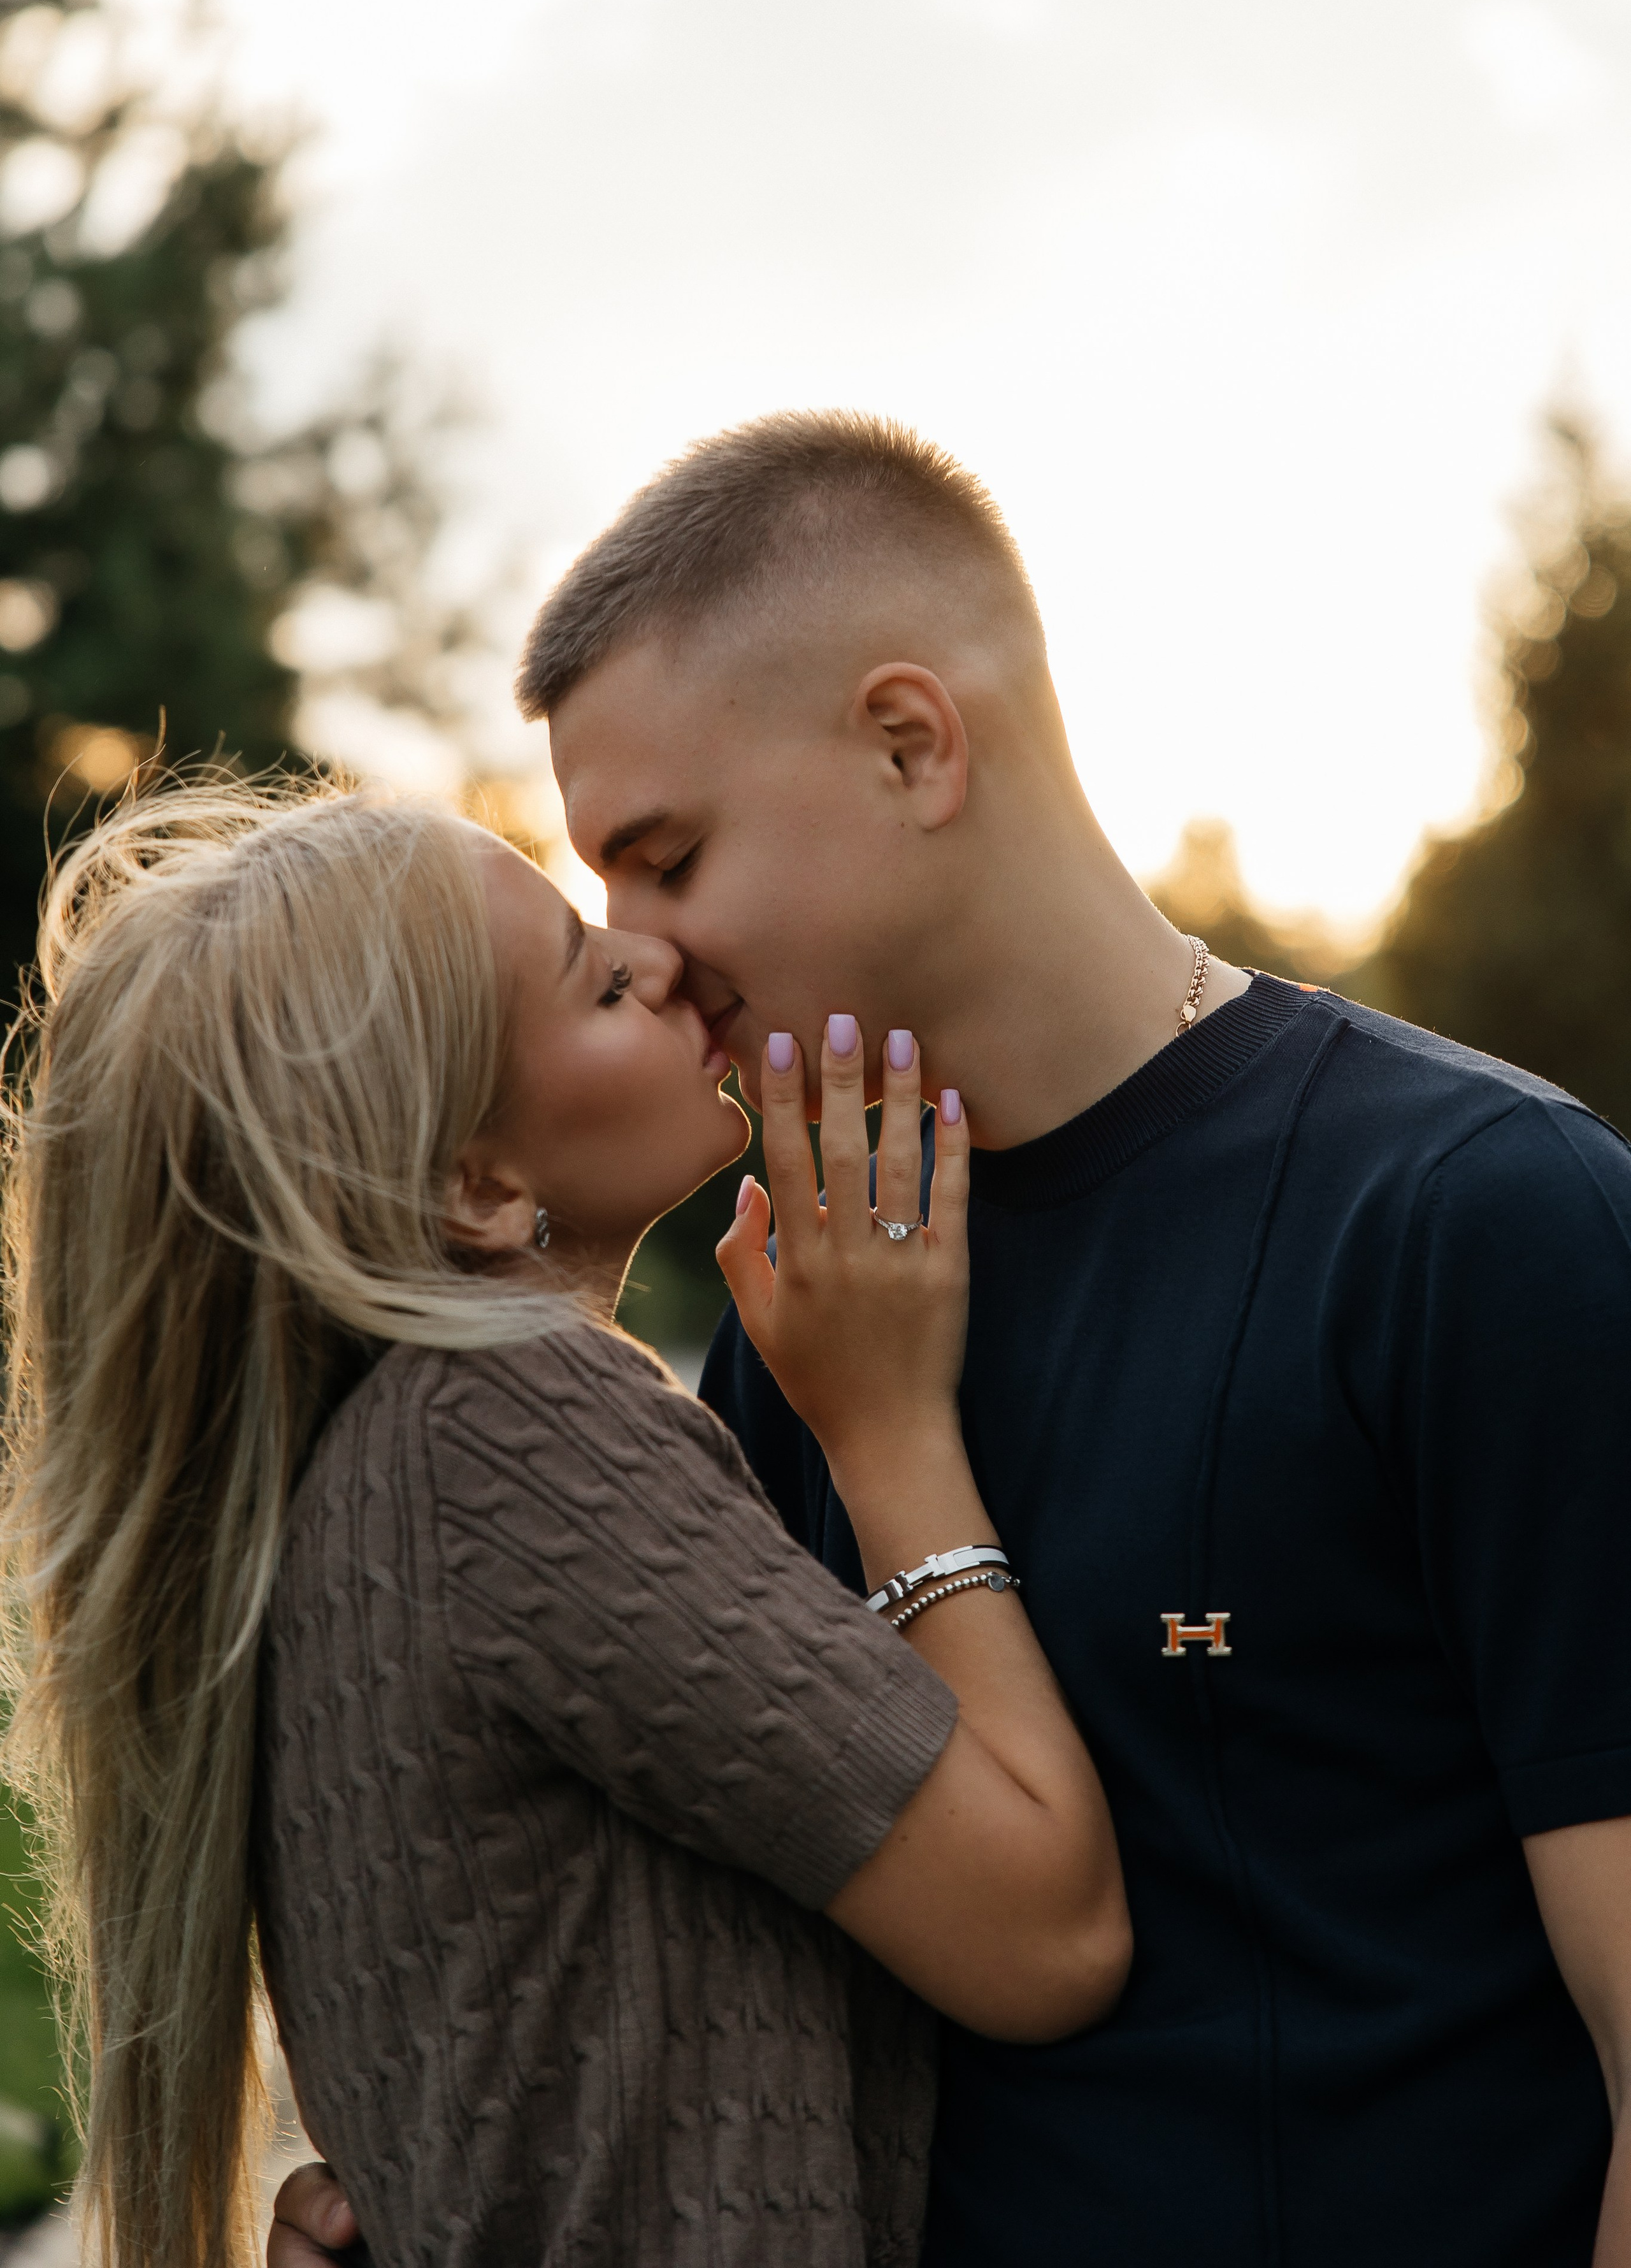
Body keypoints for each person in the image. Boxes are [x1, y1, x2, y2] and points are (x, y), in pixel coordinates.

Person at [275, 410, 1631, 2268]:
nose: (644, 951)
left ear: (912, 745)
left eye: (666, 858)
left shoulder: (1478, 1219)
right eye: (605, 894)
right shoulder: (800, 1316)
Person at [2, 771, 1129, 2268]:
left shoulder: (362, 1480)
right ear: (478, 1185)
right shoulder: (505, 1436)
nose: (655, 957)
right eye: (598, 982)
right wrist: (891, 1427)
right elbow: (1043, 1934)